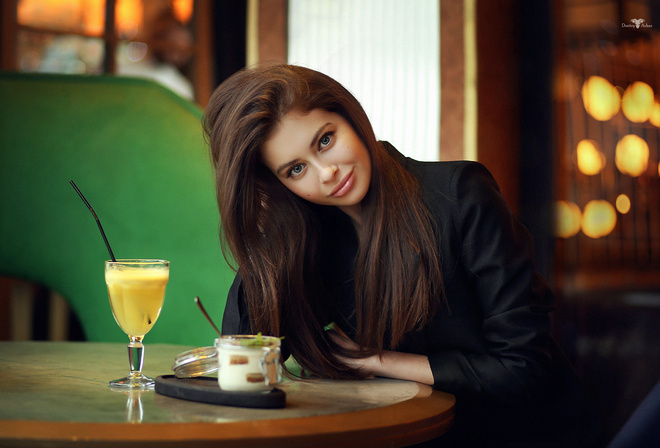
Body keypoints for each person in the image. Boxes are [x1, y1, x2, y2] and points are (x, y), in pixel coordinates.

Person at [203, 64, 601, 447]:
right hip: (411, 437)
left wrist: (380, 361)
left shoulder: (460, 195)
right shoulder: (311, 238)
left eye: (325, 140)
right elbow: (245, 358)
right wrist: (265, 237)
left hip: (526, 434)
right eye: (295, 170)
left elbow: (523, 369)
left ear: (350, 117)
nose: (326, 173)